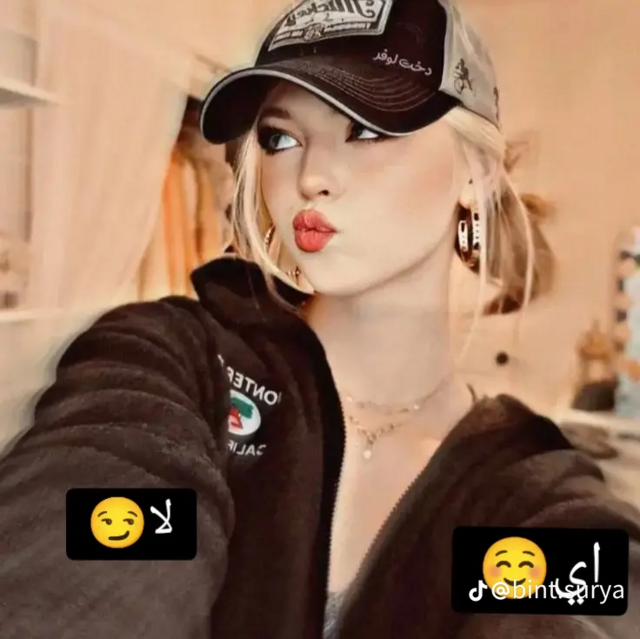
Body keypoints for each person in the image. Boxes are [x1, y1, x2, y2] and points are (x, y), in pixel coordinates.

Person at [0, 0, 638, 638]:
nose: (311, 177)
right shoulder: (175, 364)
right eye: (281, 138)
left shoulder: (526, 482)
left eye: (366, 129)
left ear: (477, 173)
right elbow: (89, 531)